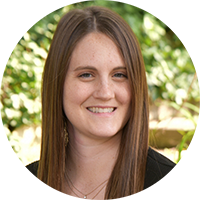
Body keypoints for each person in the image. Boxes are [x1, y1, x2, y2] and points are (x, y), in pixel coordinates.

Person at [26, 5, 176, 200]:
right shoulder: (23, 185)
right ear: (58, 83)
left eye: (120, 75)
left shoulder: (174, 186)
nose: (105, 92)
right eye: (86, 74)